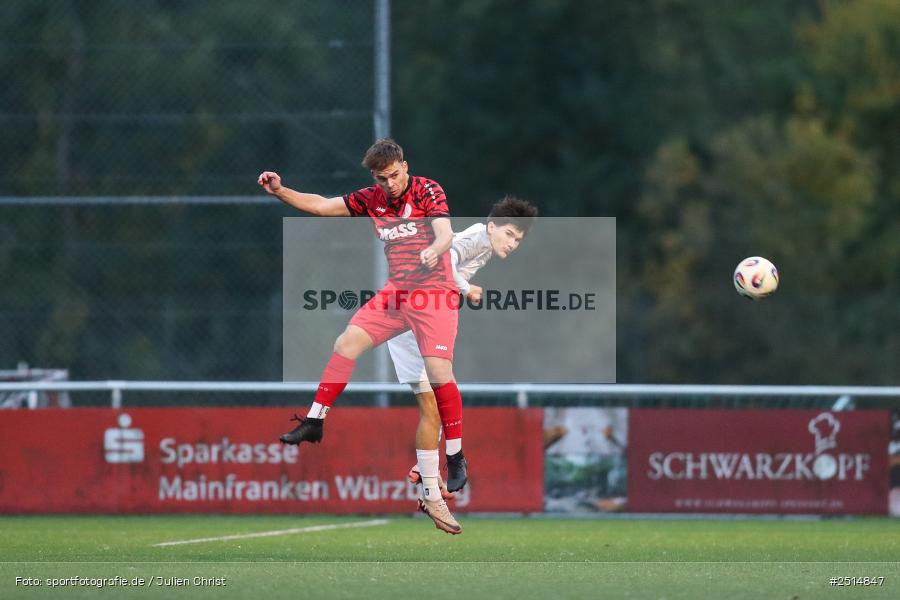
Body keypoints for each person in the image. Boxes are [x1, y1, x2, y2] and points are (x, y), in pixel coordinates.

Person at [258, 139, 464, 534]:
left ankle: (452, 462)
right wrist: (281, 190)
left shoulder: (427, 189)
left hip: (434, 298)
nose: (389, 184)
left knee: (438, 385)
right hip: (398, 296)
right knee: (346, 344)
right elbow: (320, 205)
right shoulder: (371, 199)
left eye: (394, 175)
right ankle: (316, 421)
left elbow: (444, 232)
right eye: (381, 178)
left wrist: (436, 248)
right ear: (373, 177)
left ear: (405, 165)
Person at [392, 197, 538, 492]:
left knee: (437, 405)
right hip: (412, 321)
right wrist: (465, 288)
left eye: (518, 239)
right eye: (509, 234)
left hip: (417, 317)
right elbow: (444, 261)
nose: (512, 243)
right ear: (492, 226)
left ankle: (428, 469)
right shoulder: (478, 239)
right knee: (442, 401)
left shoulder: (482, 242)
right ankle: (450, 461)